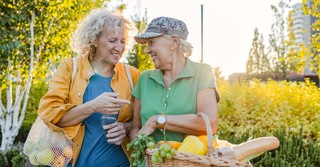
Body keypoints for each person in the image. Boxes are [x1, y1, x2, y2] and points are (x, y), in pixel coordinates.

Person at [38, 8, 140, 167]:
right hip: (75, 162)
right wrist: (93, 106)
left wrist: (125, 128)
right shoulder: (70, 68)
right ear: (94, 40)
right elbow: (50, 115)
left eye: (122, 41)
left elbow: (141, 121)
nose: (119, 48)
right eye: (112, 41)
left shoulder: (132, 75)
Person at [130, 16, 220, 144]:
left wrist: (158, 121)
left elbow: (210, 124)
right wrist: (141, 151)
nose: (147, 50)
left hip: (186, 161)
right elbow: (135, 127)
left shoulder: (202, 73)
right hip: (148, 162)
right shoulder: (144, 79)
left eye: (152, 42)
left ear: (174, 42)